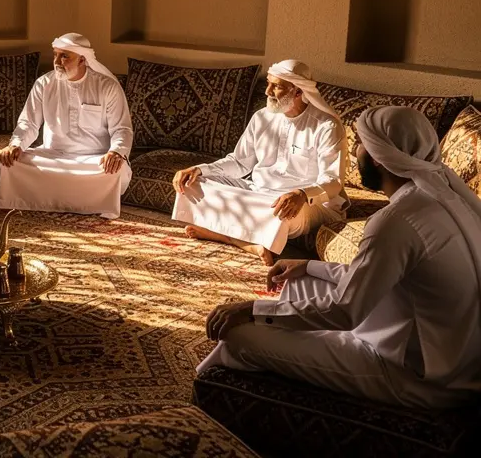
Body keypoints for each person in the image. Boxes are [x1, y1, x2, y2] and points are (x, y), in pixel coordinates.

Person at [199, 106, 481, 408]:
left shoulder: (396, 221)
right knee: (304, 278)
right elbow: (379, 278)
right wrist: (308, 264)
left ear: (376, 156)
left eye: (360, 143)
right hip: (437, 345)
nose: (355, 151)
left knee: (238, 335)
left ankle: (214, 400)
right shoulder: (445, 198)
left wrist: (251, 309)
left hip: (413, 374)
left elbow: (347, 311)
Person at [172, 60, 347, 266]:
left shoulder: (326, 126)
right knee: (194, 183)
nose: (267, 92)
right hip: (258, 191)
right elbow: (239, 163)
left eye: (277, 86)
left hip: (304, 203)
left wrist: (302, 194)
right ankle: (246, 242)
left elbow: (333, 181)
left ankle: (225, 235)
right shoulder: (261, 118)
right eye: (268, 84)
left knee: (282, 211)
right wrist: (199, 170)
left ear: (298, 92)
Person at [0, 33, 133, 219]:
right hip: (52, 156)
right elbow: (28, 123)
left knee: (115, 170)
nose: (57, 61)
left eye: (65, 56)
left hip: (93, 161)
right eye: (56, 55)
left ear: (82, 59)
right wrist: (16, 145)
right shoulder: (44, 83)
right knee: (8, 163)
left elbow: (121, 128)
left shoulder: (107, 87)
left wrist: (116, 152)